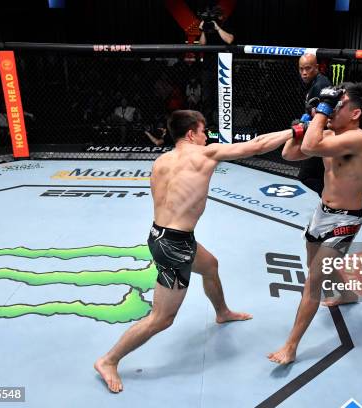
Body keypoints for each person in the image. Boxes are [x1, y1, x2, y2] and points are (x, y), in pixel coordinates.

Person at [95, 110, 294, 392]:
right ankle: (109, 359)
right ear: (191, 133)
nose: (206, 137)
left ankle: (222, 312)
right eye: (203, 131)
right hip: (175, 246)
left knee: (210, 265)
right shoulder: (204, 154)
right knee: (162, 319)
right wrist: (295, 132)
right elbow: (259, 145)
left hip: (164, 236)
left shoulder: (161, 160)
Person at [270, 82, 362, 365]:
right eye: (332, 105)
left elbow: (310, 145)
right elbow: (289, 154)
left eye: (338, 106)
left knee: (313, 281)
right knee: (314, 266)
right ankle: (349, 294)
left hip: (346, 220)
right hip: (321, 214)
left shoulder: (359, 138)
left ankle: (290, 346)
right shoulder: (330, 134)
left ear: (355, 113)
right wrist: (306, 121)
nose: (331, 110)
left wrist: (320, 114)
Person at [297, 53, 332, 196]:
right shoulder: (314, 83)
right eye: (301, 69)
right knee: (317, 174)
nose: (304, 73)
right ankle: (328, 199)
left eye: (308, 68)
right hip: (319, 135)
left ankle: (330, 198)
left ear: (316, 67)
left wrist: (305, 124)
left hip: (322, 136)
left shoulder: (320, 85)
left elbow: (326, 116)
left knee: (306, 175)